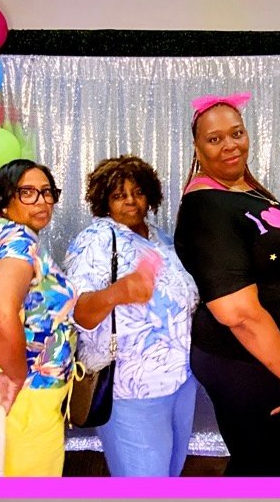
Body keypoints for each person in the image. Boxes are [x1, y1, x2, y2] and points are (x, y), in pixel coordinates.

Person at [0, 158, 156, 477]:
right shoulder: (19, 244)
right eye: (27, 192)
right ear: (3, 199)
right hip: (17, 400)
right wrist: (16, 375)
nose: (42, 201)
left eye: (47, 192)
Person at [174, 92, 280, 477]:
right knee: (265, 465)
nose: (230, 145)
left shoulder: (243, 190)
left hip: (276, 356)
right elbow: (237, 313)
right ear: (197, 147)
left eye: (236, 133)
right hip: (243, 361)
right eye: (215, 138)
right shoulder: (206, 208)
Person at [64, 155, 199, 477]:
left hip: (181, 380)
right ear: (103, 200)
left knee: (172, 470)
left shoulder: (161, 238)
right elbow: (79, 314)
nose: (131, 201)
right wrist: (118, 292)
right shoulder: (95, 240)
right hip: (130, 387)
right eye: (118, 195)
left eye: (138, 192)